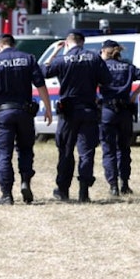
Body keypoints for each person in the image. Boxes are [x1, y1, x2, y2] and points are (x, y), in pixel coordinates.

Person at [0, 34, 54, 205]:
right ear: (13, 44)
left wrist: (2, 93)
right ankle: (26, 182)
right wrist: (48, 109)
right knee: (26, 149)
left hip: (5, 112)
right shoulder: (28, 58)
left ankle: (6, 195)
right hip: (25, 112)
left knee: (4, 153)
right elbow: (40, 85)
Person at [43, 30, 111, 202]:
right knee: (86, 152)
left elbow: (44, 71)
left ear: (67, 43)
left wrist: (55, 52)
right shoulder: (94, 58)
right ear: (83, 42)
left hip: (68, 112)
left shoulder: (61, 59)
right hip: (88, 110)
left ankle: (63, 190)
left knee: (66, 151)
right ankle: (84, 192)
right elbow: (107, 80)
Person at [98, 40, 140, 196]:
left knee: (108, 149)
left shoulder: (102, 66)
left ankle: (113, 185)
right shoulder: (127, 66)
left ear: (104, 51)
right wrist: (135, 94)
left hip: (107, 111)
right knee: (124, 149)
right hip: (125, 112)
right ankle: (125, 184)